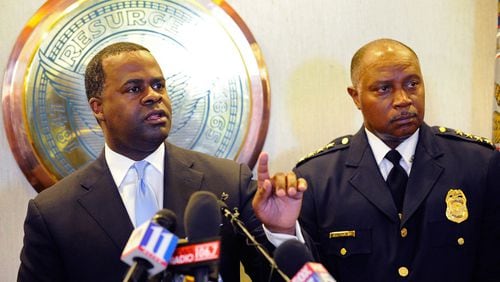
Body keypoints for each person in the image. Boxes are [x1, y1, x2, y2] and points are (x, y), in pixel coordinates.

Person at [17, 42, 302, 282]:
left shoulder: (227, 182)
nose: (153, 96)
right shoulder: (53, 212)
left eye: (158, 85)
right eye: (133, 88)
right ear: (98, 107)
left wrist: (281, 232)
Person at [254, 38, 500, 281]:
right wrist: (282, 231)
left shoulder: (478, 165)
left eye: (413, 84)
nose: (403, 99)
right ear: (355, 97)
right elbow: (302, 275)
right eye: (384, 89)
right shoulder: (315, 180)